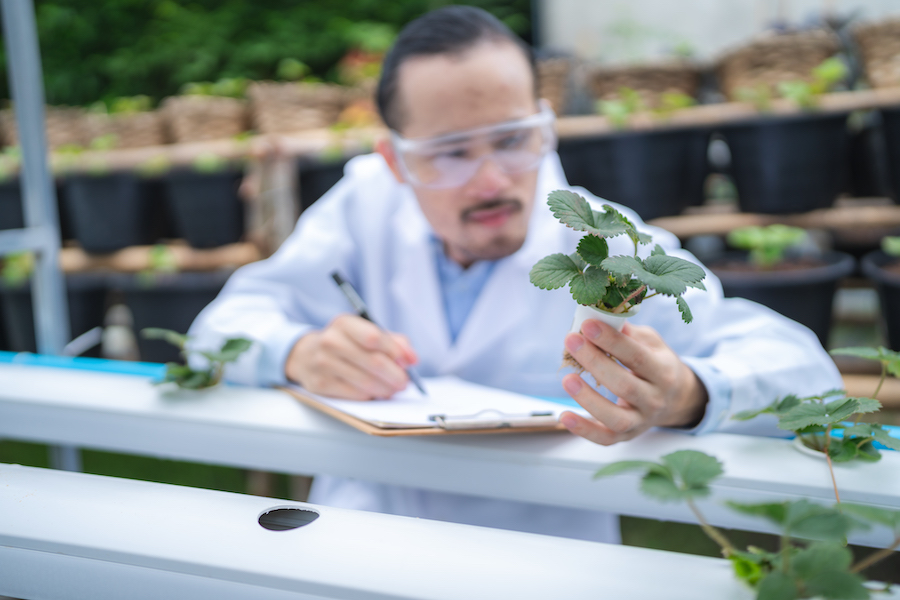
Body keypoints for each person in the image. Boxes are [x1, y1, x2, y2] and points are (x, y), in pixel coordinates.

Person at [189, 6, 842, 542]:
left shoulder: (605, 242)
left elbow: (804, 374)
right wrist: (298, 352)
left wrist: (688, 393)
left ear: (547, 129)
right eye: (449, 153)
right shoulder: (364, 203)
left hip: (542, 561)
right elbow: (218, 330)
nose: (492, 181)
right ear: (394, 160)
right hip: (362, 538)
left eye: (511, 138)